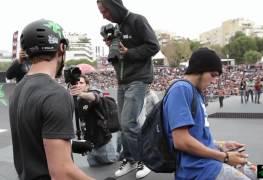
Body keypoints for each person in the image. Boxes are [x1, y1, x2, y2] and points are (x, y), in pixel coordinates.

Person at [9, 19, 93, 180]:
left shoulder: (18, 89)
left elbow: (31, 140)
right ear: (61, 47)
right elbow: (62, 173)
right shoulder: (56, 94)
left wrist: (70, 145)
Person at [163, 48, 257, 180]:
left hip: (211, 163)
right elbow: (181, 141)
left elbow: (196, 137)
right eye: (213, 75)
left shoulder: (196, 92)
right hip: (200, 169)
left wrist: (221, 145)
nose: (214, 81)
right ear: (199, 69)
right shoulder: (181, 89)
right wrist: (225, 157)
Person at [97, 0, 160, 179]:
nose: (103, 15)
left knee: (128, 123)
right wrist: (113, 48)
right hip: (123, 82)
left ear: (115, 6)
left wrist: (129, 52)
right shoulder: (117, 28)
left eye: (105, 10)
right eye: (101, 12)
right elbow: (120, 59)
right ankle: (131, 159)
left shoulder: (138, 21)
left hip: (138, 80)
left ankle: (145, 160)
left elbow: (154, 46)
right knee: (123, 125)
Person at [68, 74, 118, 167]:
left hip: (103, 145)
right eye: (76, 83)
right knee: (94, 173)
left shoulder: (94, 93)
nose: (78, 85)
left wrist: (81, 94)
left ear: (87, 86)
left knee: (110, 170)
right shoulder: (78, 102)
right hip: (90, 146)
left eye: (81, 83)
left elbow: (95, 97)